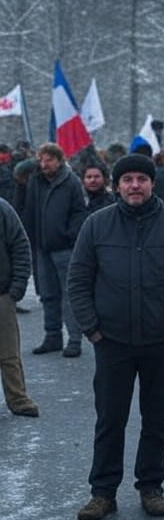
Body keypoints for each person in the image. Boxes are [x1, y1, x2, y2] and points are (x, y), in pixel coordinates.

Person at [68, 154, 164, 520]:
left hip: (163, 341)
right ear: (116, 185)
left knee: (156, 418)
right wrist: (92, 328)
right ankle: (102, 492)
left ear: (152, 183)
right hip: (112, 340)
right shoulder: (97, 226)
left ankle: (151, 487)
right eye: (127, 179)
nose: (134, 185)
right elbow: (78, 280)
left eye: (141, 179)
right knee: (109, 419)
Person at [23, 142, 87, 357]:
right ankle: (53, 336)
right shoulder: (35, 181)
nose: (44, 164)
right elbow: (30, 211)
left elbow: (79, 212)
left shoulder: (71, 182)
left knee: (68, 294)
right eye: (41, 160)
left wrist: (69, 235)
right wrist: (31, 239)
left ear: (59, 160)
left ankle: (75, 339)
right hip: (42, 248)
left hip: (65, 248)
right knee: (48, 295)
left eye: (48, 159)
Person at [0, 196, 38, 417]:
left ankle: (18, 399)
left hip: (2, 294)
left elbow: (20, 245)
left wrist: (17, 288)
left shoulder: (3, 209)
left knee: (8, 353)